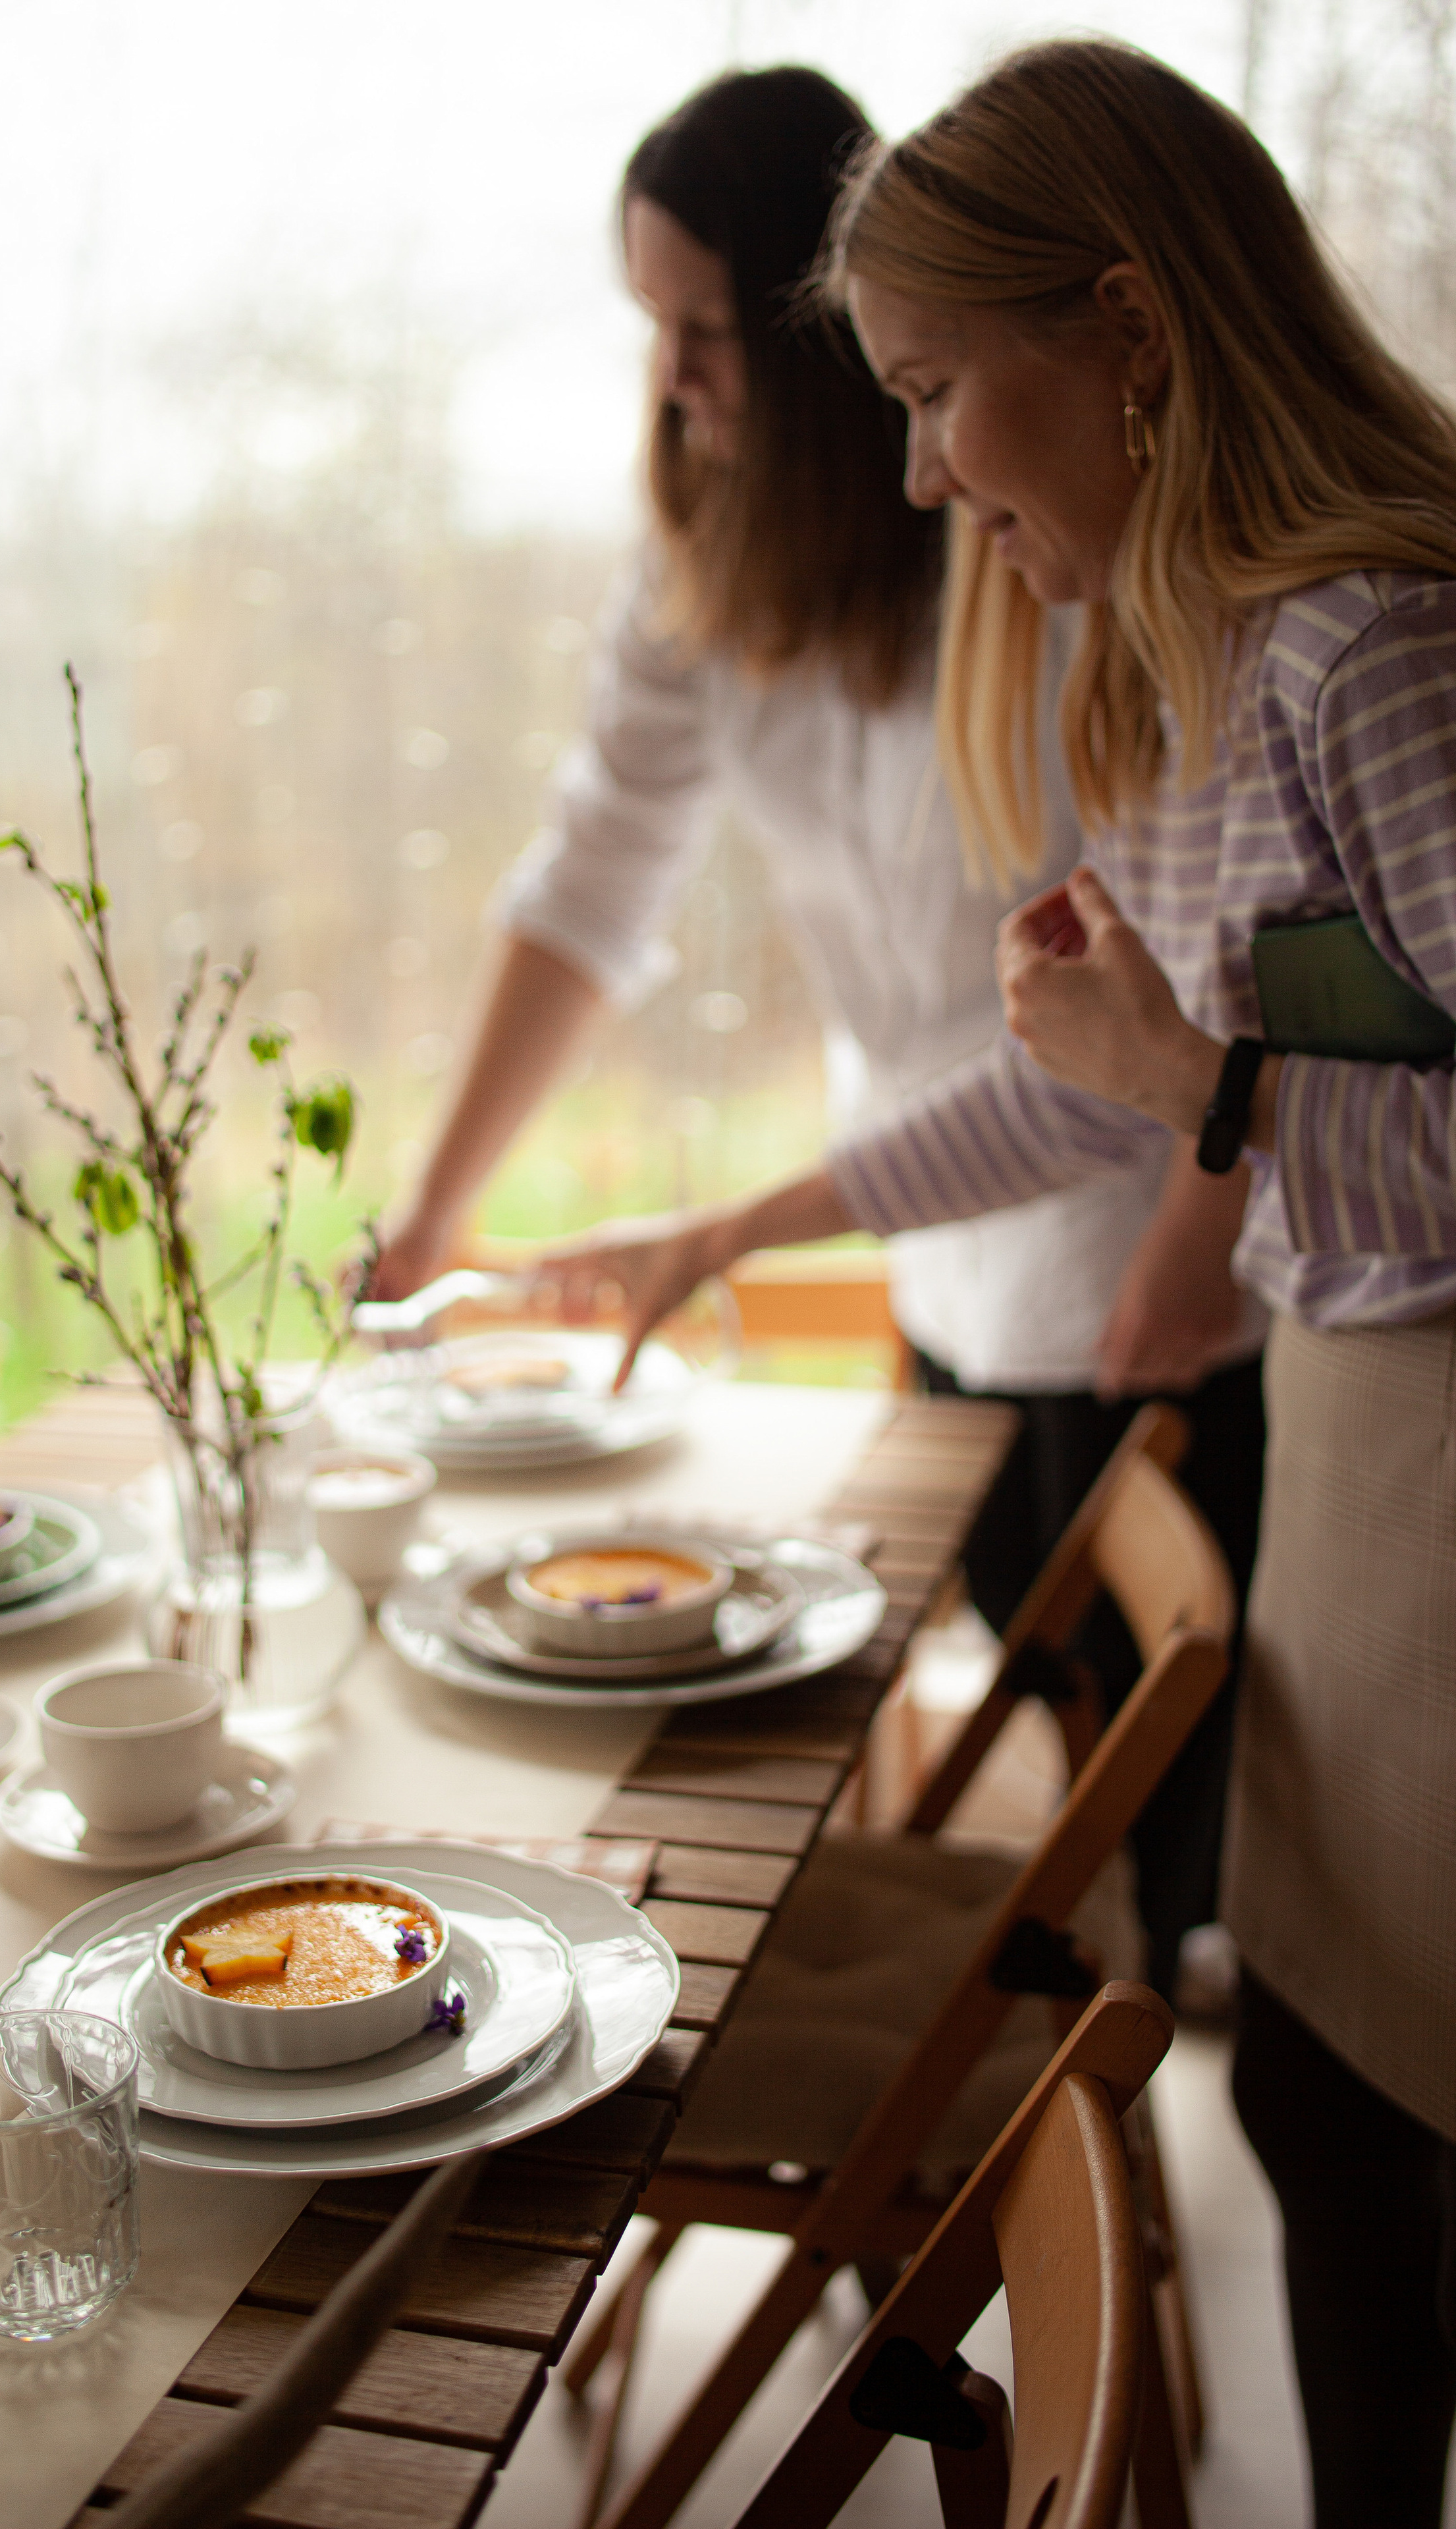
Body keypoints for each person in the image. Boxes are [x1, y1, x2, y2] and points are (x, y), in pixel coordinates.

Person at [547, 40, 1456, 2522]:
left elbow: (1195, 1089)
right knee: (1322, 2114)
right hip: (1372, 1490)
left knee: (1371, 2162)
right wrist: (732, 1228)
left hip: (1429, 1493)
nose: (926, 468)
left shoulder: (1374, 654)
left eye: (944, 393)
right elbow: (1080, 1079)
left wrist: (1208, 1088)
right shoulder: (1210, 674)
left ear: (1136, 328)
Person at [373, 64, 1264, 1999]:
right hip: (927, 1237)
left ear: (833, 334)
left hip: (1139, 1247)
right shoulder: (709, 573)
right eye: (653, 332)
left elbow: (1180, 1016)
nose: (673, 383)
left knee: (1178, 1833)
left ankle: (1099, 2103)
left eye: (702, 332)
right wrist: (436, 1214)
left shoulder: (1052, 558)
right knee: (1001, 1715)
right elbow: (589, 880)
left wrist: (1196, 1223)